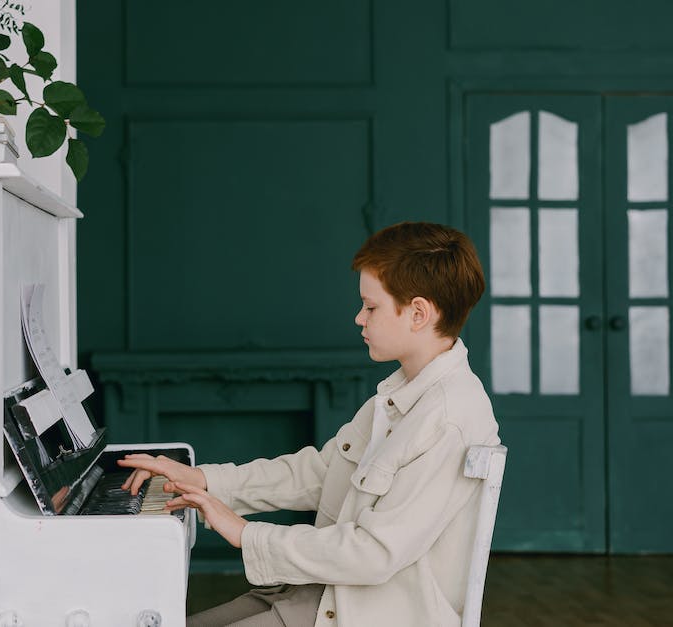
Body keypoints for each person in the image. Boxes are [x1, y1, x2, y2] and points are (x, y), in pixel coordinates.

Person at [118, 222, 500, 627]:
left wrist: (246, 534)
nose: (359, 318)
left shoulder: (449, 418)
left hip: (363, 613)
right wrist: (200, 479)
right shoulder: (397, 395)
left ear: (418, 313)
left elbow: (373, 554)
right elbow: (318, 472)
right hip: (315, 591)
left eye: (371, 307)